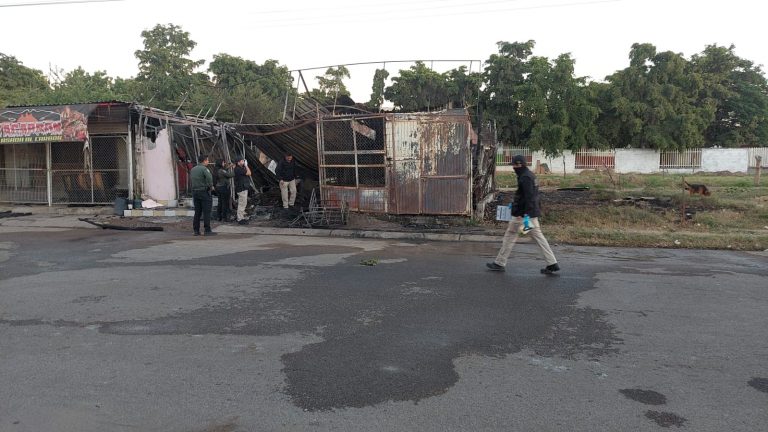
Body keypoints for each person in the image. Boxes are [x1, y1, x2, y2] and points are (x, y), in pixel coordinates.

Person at [487, 155, 559, 274]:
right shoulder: (530, 175)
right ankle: (552, 263)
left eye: (514, 165)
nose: (513, 168)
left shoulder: (525, 177)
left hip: (522, 216)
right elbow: (528, 196)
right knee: (538, 237)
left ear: (519, 165)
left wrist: (526, 214)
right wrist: (514, 204)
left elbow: (529, 197)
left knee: (510, 235)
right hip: (530, 214)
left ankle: (499, 263)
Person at [190, 154, 216, 236]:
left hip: (195, 192)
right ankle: (207, 230)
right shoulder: (204, 169)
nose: (208, 162)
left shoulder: (193, 169)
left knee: (197, 212)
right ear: (204, 161)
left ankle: (196, 230)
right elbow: (209, 178)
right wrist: (211, 186)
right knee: (206, 212)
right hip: (204, 192)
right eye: (207, 160)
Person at [233, 157, 252, 225]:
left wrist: (245, 166)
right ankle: (240, 219)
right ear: (238, 162)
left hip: (243, 188)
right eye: (242, 161)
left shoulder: (240, 168)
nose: (243, 162)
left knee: (243, 203)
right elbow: (249, 173)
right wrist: (246, 165)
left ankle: (241, 217)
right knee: (242, 204)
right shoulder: (238, 169)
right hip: (241, 189)